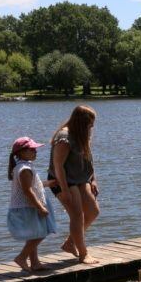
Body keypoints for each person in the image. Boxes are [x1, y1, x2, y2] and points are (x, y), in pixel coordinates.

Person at [48, 105, 100, 264]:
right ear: (80, 122)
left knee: (93, 211)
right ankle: (83, 254)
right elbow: (58, 166)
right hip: (62, 180)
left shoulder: (82, 134)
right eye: (89, 123)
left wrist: (93, 179)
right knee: (77, 215)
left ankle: (70, 243)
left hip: (80, 178)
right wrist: (65, 191)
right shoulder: (64, 137)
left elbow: (88, 158)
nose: (92, 126)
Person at [7, 137, 57, 272]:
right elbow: (27, 190)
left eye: (35, 149)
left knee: (33, 234)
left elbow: (35, 185)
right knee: (40, 234)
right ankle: (21, 257)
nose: (36, 152)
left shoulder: (24, 166)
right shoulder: (24, 169)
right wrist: (40, 207)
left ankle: (35, 263)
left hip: (27, 206)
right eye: (32, 149)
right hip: (29, 206)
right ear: (21, 152)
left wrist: (49, 183)